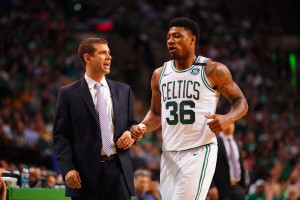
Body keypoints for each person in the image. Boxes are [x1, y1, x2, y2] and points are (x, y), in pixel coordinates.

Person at [131, 17, 248, 200]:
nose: (171, 40)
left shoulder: (212, 70)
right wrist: (142, 127)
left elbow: (241, 101)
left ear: (192, 40)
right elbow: (156, 113)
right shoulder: (159, 74)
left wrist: (228, 118)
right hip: (169, 153)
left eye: (177, 36)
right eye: (169, 36)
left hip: (199, 150)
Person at [53, 37, 137, 200]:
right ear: (87, 58)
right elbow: (61, 135)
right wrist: (68, 168)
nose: (109, 57)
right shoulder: (68, 93)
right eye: (102, 53)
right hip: (84, 175)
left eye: (109, 53)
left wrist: (130, 134)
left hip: (119, 171)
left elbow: (131, 124)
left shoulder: (124, 90)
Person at [210, 123, 246, 200]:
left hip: (238, 185)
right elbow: (210, 165)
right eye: (227, 123)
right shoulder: (215, 142)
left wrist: (244, 184)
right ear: (222, 125)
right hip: (221, 187)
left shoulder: (237, 142)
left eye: (232, 124)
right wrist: (212, 186)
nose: (229, 126)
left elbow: (240, 164)